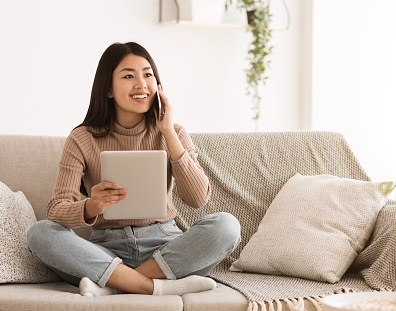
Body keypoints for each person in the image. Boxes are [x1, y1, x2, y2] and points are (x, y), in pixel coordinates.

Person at [27, 42, 241, 297]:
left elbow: (198, 199)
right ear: (108, 88)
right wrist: (91, 206)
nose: (141, 84)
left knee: (227, 226)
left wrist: (168, 133)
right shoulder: (81, 138)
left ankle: (114, 285)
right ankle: (155, 286)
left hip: (166, 247)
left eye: (148, 74)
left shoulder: (175, 133)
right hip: (105, 249)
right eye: (129, 76)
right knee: (40, 233)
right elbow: (56, 209)